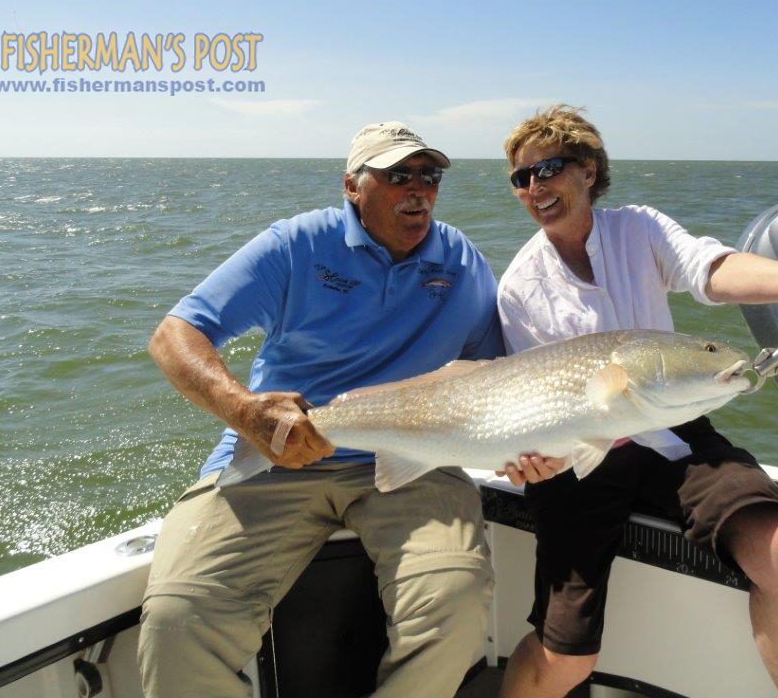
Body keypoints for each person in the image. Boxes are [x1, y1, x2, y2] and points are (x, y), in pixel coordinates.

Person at [494, 105, 778, 698]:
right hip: (578, 462)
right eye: (522, 177)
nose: (536, 186)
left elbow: (710, 270)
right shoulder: (519, 286)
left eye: (551, 168)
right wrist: (533, 460)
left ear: (589, 171)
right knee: (566, 658)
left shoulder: (637, 230)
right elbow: (533, 400)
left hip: (672, 433)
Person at [137, 121, 504, 698]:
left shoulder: (463, 262)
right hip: (278, 455)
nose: (419, 189)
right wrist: (246, 412)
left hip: (413, 460)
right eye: (398, 175)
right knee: (178, 619)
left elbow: (494, 374)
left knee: (456, 604)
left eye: (429, 175)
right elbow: (176, 334)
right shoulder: (297, 245)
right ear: (353, 186)